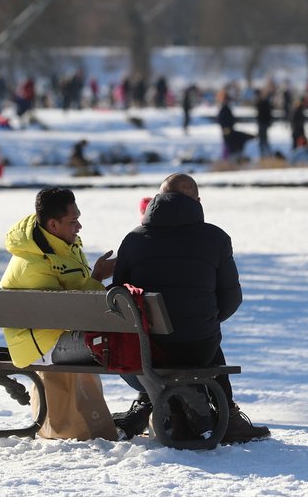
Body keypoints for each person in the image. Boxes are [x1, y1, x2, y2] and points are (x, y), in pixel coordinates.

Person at [111, 173, 270, 444]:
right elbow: (231, 298)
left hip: (145, 349)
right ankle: (227, 416)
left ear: (157, 199)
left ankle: (155, 408)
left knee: (182, 335)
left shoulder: (133, 239)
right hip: (197, 346)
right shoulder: (215, 238)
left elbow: (119, 295)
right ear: (197, 201)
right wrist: (208, 319)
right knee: (205, 335)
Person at [0, 187, 118, 440]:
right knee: (120, 342)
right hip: (42, 345)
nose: (80, 226)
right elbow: (70, 316)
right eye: (73, 221)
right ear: (53, 224)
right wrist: (96, 277)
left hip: (55, 333)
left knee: (128, 337)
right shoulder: (35, 264)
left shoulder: (63, 246)